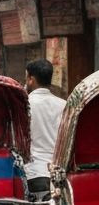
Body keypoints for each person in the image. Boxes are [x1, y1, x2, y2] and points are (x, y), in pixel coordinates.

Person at [24, 59, 66, 197]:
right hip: (59, 176)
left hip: (34, 174)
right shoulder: (63, 105)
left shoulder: (24, 105)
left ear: (31, 79)